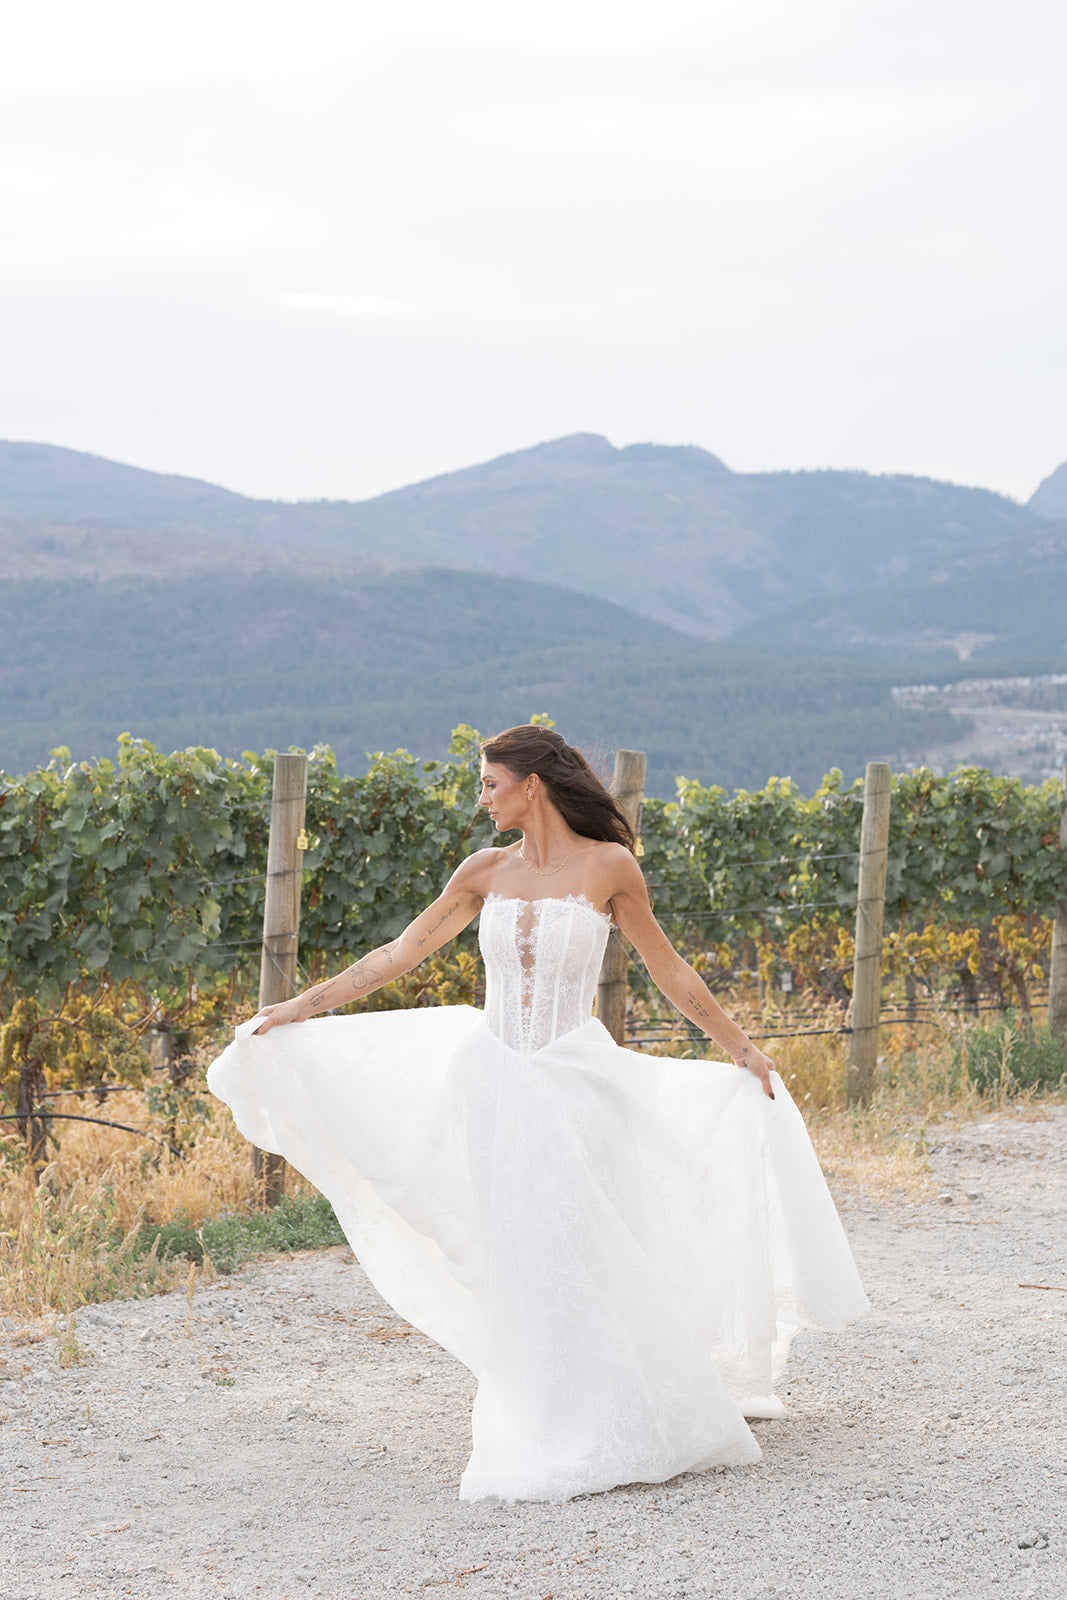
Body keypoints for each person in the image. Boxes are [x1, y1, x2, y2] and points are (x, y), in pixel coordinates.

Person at [207, 725, 868, 1503]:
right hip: (491, 1081)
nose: (480, 798)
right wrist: (298, 1007)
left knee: (584, 1234)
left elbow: (667, 967)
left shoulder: (609, 867)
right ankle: (538, 1404)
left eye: (490, 784)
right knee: (516, 1242)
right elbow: (398, 954)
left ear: (532, 784)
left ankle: (613, 1399)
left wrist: (740, 1049)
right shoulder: (482, 871)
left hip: (573, 1082)